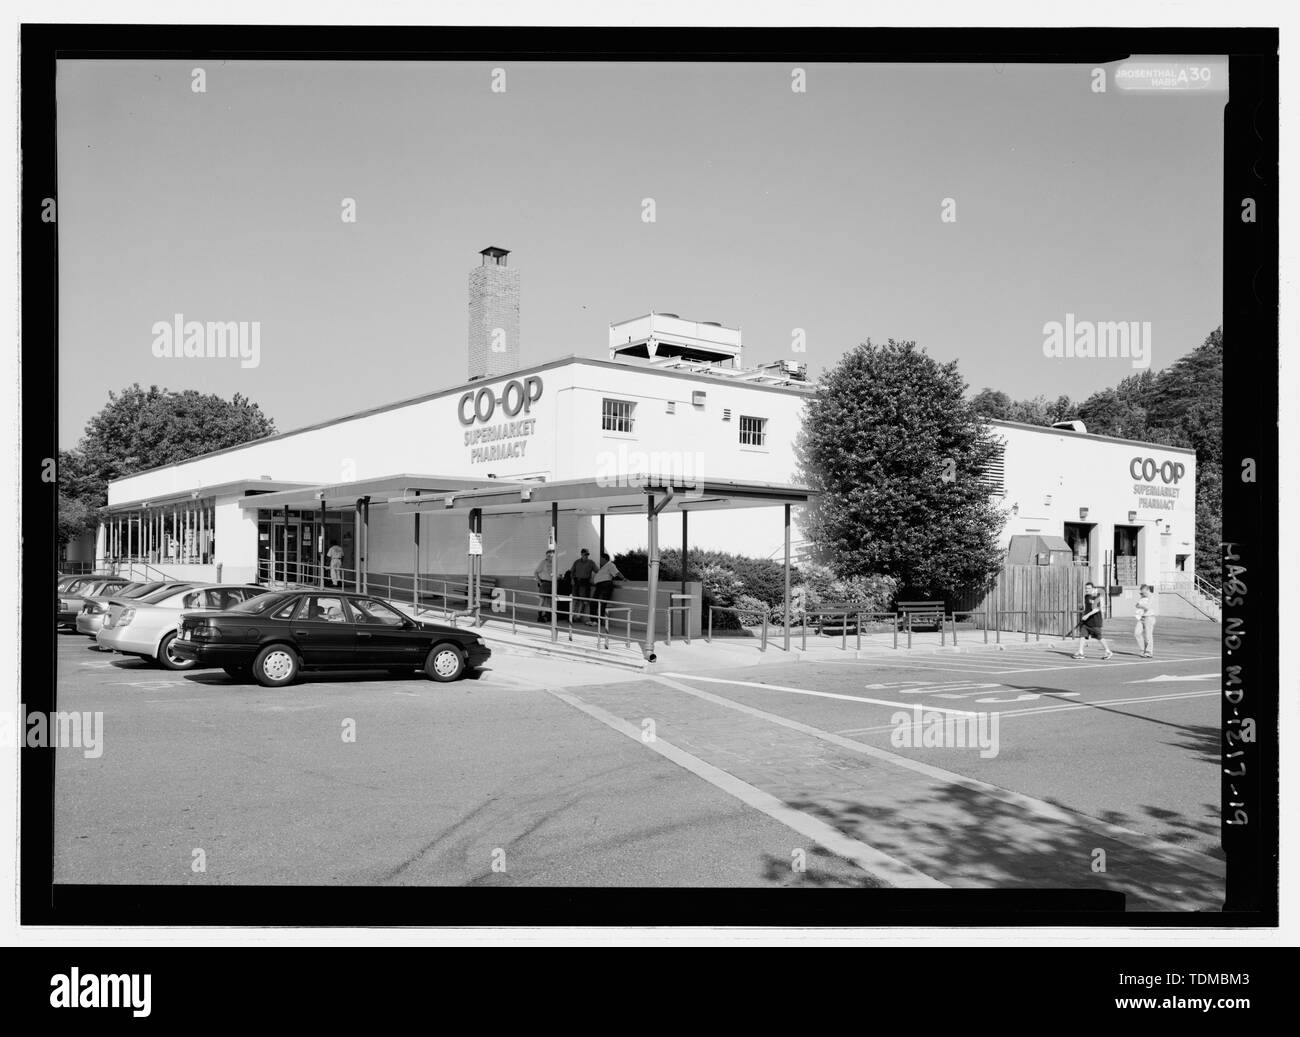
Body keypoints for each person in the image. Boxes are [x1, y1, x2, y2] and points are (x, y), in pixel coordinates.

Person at [1073, 581, 1112, 660]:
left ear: (1093, 588)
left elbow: (1097, 609)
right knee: (1082, 636)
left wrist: (1087, 615)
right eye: (1086, 588)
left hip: (1095, 622)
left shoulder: (1097, 597)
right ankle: (1080, 652)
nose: (1087, 590)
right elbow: (1087, 607)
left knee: (1099, 637)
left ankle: (1108, 651)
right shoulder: (1086, 596)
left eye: (1089, 588)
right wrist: (1083, 611)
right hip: (1087, 622)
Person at [592, 552, 625, 623]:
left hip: (605, 585)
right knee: (594, 602)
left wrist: (623, 578)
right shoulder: (603, 567)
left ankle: (598, 621)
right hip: (599, 586)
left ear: (605, 559)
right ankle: (594, 620)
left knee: (601, 603)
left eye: (601, 559)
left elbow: (617, 572)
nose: (600, 560)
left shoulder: (610, 564)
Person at [568, 548, 598, 624]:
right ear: (581, 554)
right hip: (576, 581)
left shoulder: (591, 562)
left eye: (588, 554)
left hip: (585, 582)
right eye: (585, 554)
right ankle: (572, 616)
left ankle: (578, 616)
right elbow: (572, 571)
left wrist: (596, 579)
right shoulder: (577, 562)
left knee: (582, 600)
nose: (586, 556)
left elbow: (597, 571)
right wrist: (572, 579)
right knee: (575, 599)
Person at [1134, 583, 1157, 658]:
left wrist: (1140, 605)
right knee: (1137, 633)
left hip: (1149, 617)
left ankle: (1149, 652)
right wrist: (1140, 605)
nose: (1142, 594)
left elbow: (1147, 607)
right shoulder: (1142, 597)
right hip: (1141, 617)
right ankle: (1142, 650)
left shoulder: (1151, 596)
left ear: (1147, 590)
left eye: (1144, 592)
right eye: (1142, 592)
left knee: (1148, 636)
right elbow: (1136, 605)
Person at [534, 549, 556, 622]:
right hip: (545, 583)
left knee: (550, 601)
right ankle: (539, 616)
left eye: (551, 556)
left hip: (551, 583)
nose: (549, 557)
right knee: (542, 600)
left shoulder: (554, 563)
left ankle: (548, 615)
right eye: (548, 556)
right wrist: (540, 582)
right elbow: (536, 572)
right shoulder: (543, 562)